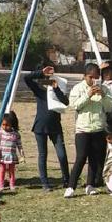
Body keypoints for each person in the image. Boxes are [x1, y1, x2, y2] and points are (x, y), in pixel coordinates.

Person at [66, 63, 112, 198]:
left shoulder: (104, 89)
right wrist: (88, 95)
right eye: (90, 77)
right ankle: (71, 186)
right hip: (83, 129)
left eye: (96, 77)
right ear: (84, 76)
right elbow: (75, 105)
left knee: (95, 159)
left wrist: (104, 96)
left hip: (99, 128)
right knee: (81, 157)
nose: (93, 80)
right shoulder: (78, 88)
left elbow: (110, 107)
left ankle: (90, 185)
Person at [24, 62, 70, 191]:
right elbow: (26, 78)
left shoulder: (55, 86)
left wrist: (56, 88)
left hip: (55, 125)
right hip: (40, 126)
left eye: (49, 74)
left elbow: (65, 102)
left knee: (61, 154)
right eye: (45, 75)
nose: (46, 77)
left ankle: (67, 180)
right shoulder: (38, 88)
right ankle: (45, 183)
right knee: (43, 155)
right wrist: (41, 72)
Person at [0, 112, 23, 193]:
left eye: (7, 125)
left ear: (12, 124)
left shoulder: (16, 134)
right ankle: (1, 185)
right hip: (2, 155)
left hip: (12, 155)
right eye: (3, 125)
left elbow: (19, 145)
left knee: (11, 170)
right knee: (2, 170)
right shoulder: (0, 133)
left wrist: (22, 155)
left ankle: (12, 185)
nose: (4, 127)